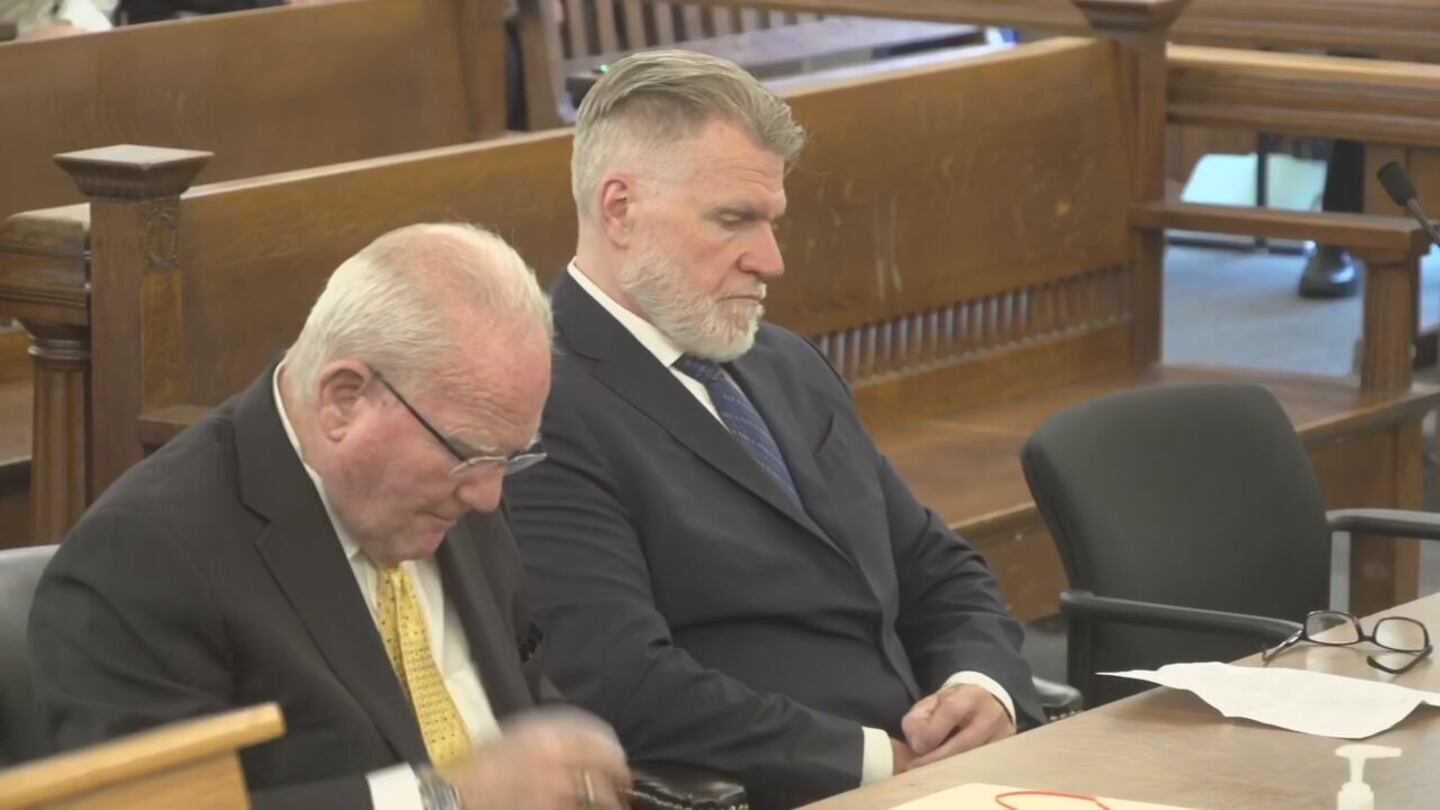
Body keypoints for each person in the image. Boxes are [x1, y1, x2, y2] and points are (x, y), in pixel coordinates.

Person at [505, 50, 1043, 808]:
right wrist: (879, 762)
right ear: (619, 209)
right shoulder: (541, 401)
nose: (772, 260)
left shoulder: (784, 362)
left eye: (771, 221)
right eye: (734, 220)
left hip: (946, 772)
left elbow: (936, 567)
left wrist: (981, 686)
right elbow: (623, 682)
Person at [28, 223, 631, 810]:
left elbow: (513, 702)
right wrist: (447, 798)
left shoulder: (457, 470)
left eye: (511, 457)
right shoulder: (147, 559)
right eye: (471, 455)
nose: (489, 497)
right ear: (344, 399)